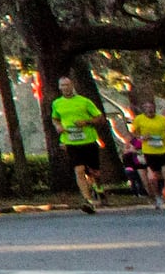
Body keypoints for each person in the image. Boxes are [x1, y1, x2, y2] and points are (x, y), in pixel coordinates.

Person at [41, 72, 114, 217]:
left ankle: (98, 187)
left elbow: (100, 118)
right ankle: (88, 200)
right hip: (71, 141)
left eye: (67, 85)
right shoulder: (57, 103)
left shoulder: (84, 101)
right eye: (62, 85)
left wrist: (86, 122)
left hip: (88, 140)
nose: (65, 88)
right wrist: (58, 127)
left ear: (72, 85)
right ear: (59, 88)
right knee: (79, 170)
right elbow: (55, 119)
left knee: (95, 172)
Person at [130, 93, 165, 210]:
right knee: (153, 177)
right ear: (144, 110)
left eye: (152, 109)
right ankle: (158, 197)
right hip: (150, 151)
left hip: (164, 149)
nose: (150, 111)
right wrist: (141, 137)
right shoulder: (139, 119)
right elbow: (134, 133)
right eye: (148, 109)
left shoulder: (163, 119)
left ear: (155, 109)